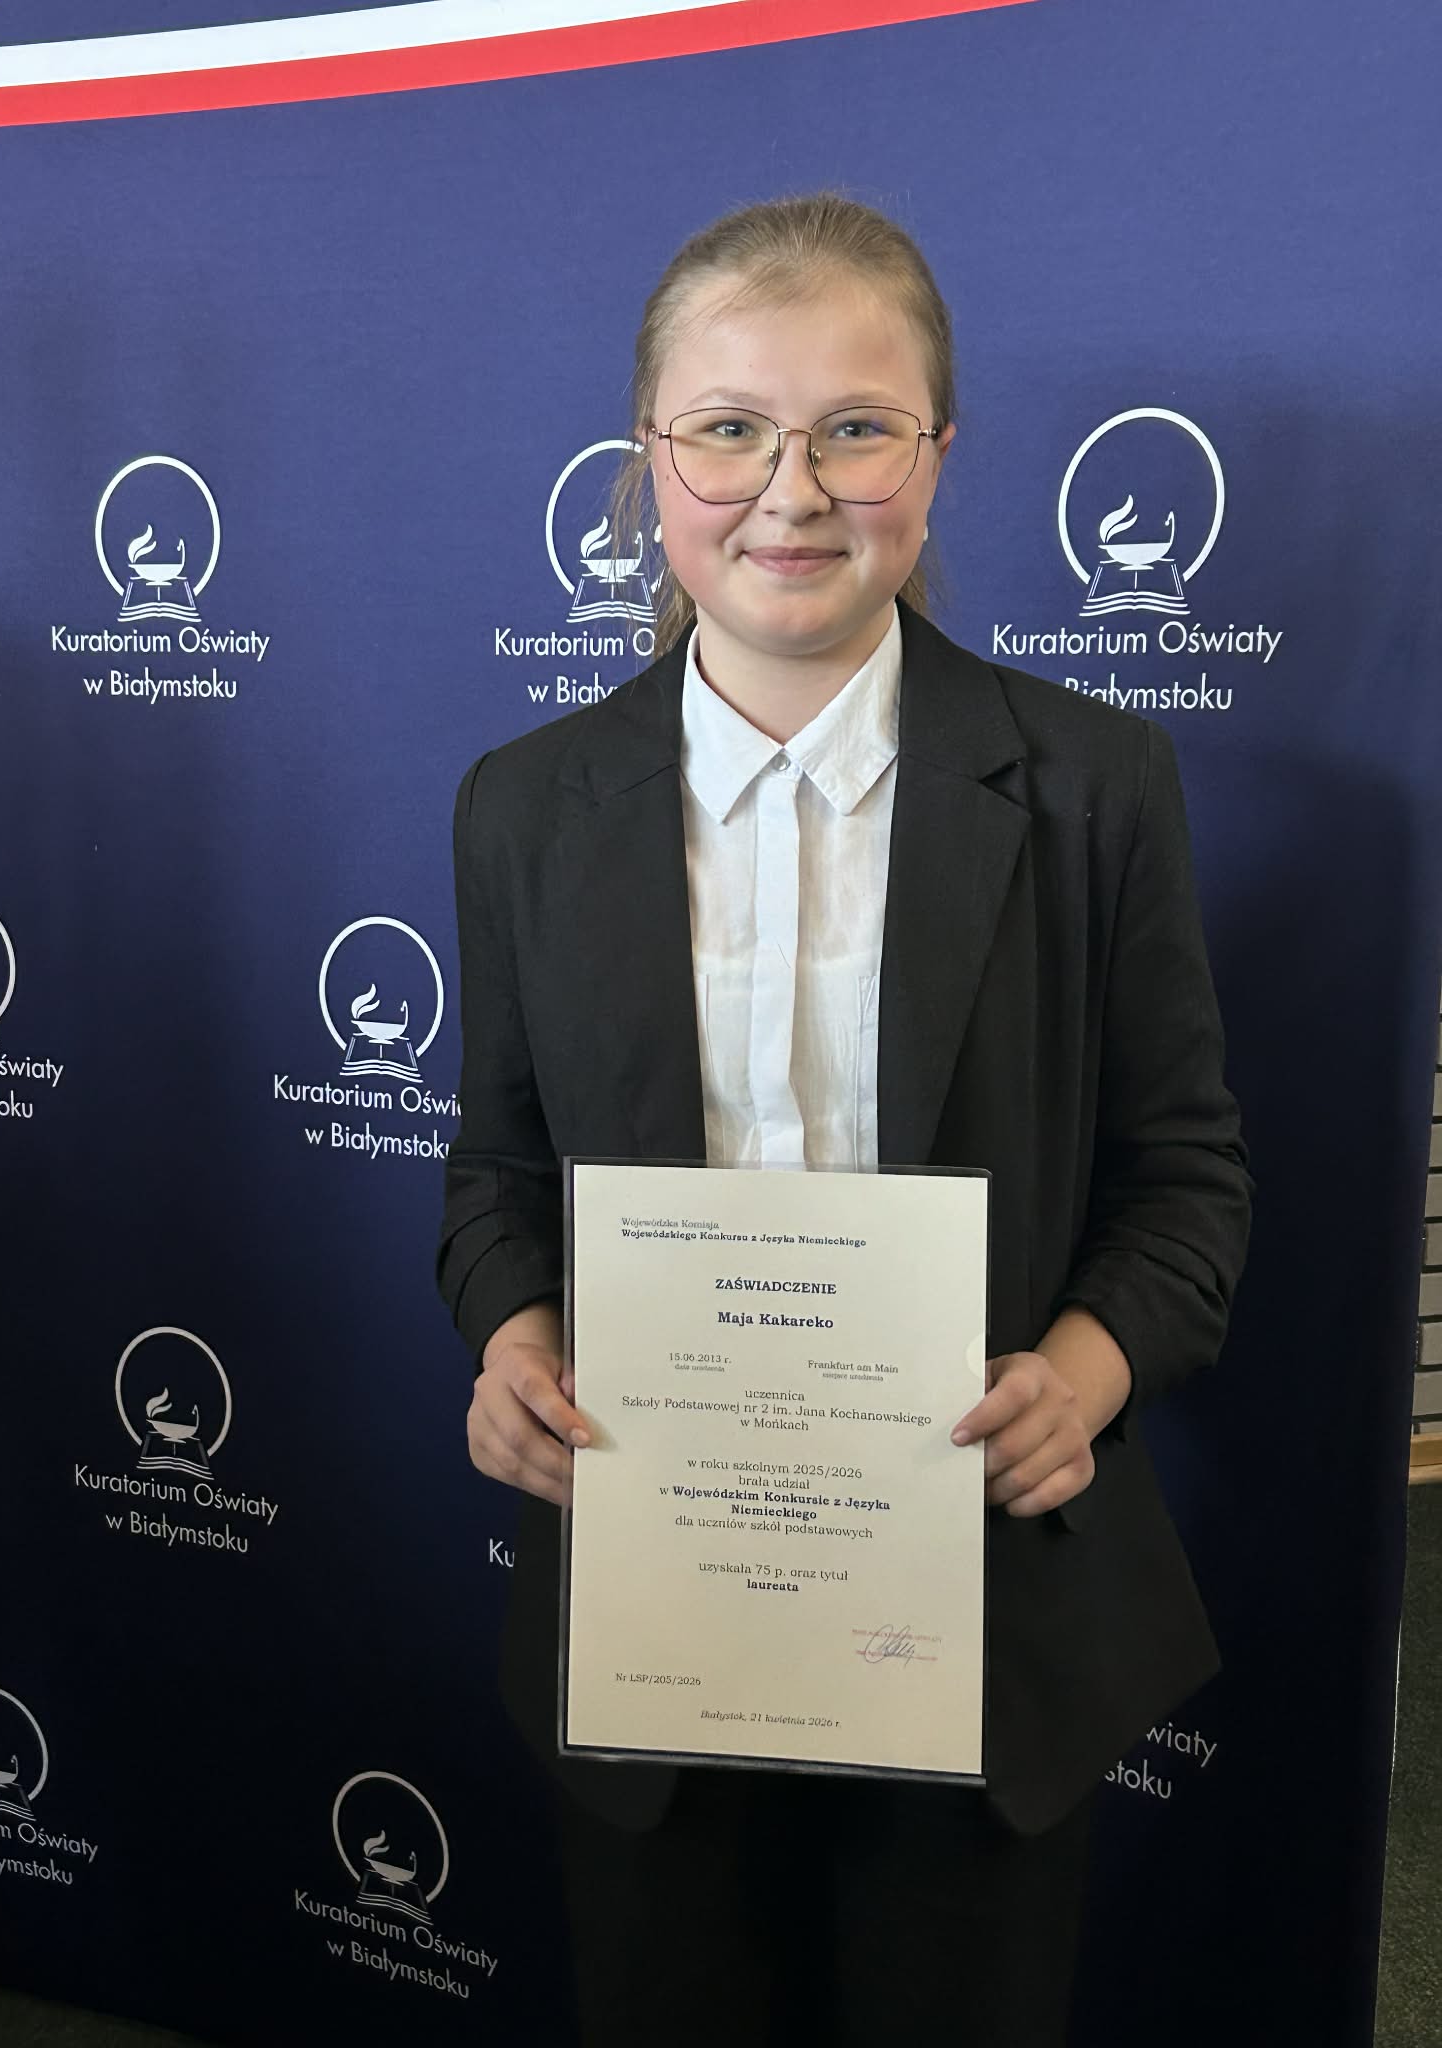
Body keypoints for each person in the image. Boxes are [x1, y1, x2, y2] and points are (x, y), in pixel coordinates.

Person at [436, 192, 1252, 2047]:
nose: (789, 491)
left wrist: (1086, 1375)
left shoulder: (1095, 787)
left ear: (937, 455)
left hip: (980, 1604)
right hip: (654, 1600)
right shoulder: (522, 809)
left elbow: (1188, 1179)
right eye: (728, 428)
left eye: (855, 428)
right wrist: (512, 1336)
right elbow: (495, 1169)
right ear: (649, 464)